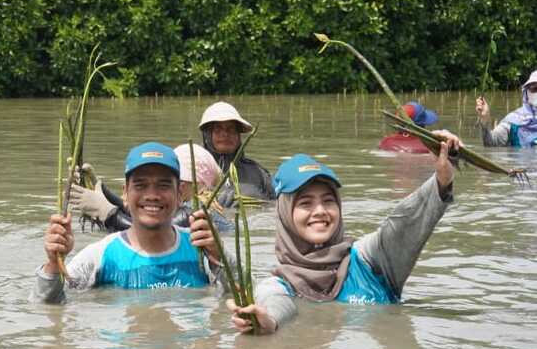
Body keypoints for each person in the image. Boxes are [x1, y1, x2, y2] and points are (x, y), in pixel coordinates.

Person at [229, 130, 460, 334]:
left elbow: (403, 224)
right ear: (285, 214)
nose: (320, 211)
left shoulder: (369, 260)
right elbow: (277, 307)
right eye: (305, 203)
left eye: (328, 201)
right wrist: (267, 322)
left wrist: (442, 178)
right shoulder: (276, 286)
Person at [33, 142, 233, 303]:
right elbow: (46, 307)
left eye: (163, 185)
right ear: (125, 194)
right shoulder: (102, 255)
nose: (152, 195)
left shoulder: (202, 249)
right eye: (141, 185)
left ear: (180, 194)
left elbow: (242, 298)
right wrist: (53, 263)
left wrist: (219, 256)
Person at [68, 143, 228, 232]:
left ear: (201, 185)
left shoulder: (198, 208)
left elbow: (154, 232)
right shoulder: (179, 207)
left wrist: (108, 214)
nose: (153, 193)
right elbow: (143, 213)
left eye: (165, 183)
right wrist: (100, 188)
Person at [199, 101, 274, 201]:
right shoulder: (194, 171)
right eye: (218, 129)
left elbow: (275, 207)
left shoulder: (258, 173)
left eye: (231, 129)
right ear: (207, 135)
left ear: (239, 136)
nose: (225, 134)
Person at [475, 70, 537, 147]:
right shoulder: (513, 121)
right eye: (535, 89)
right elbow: (491, 144)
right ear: (527, 92)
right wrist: (485, 120)